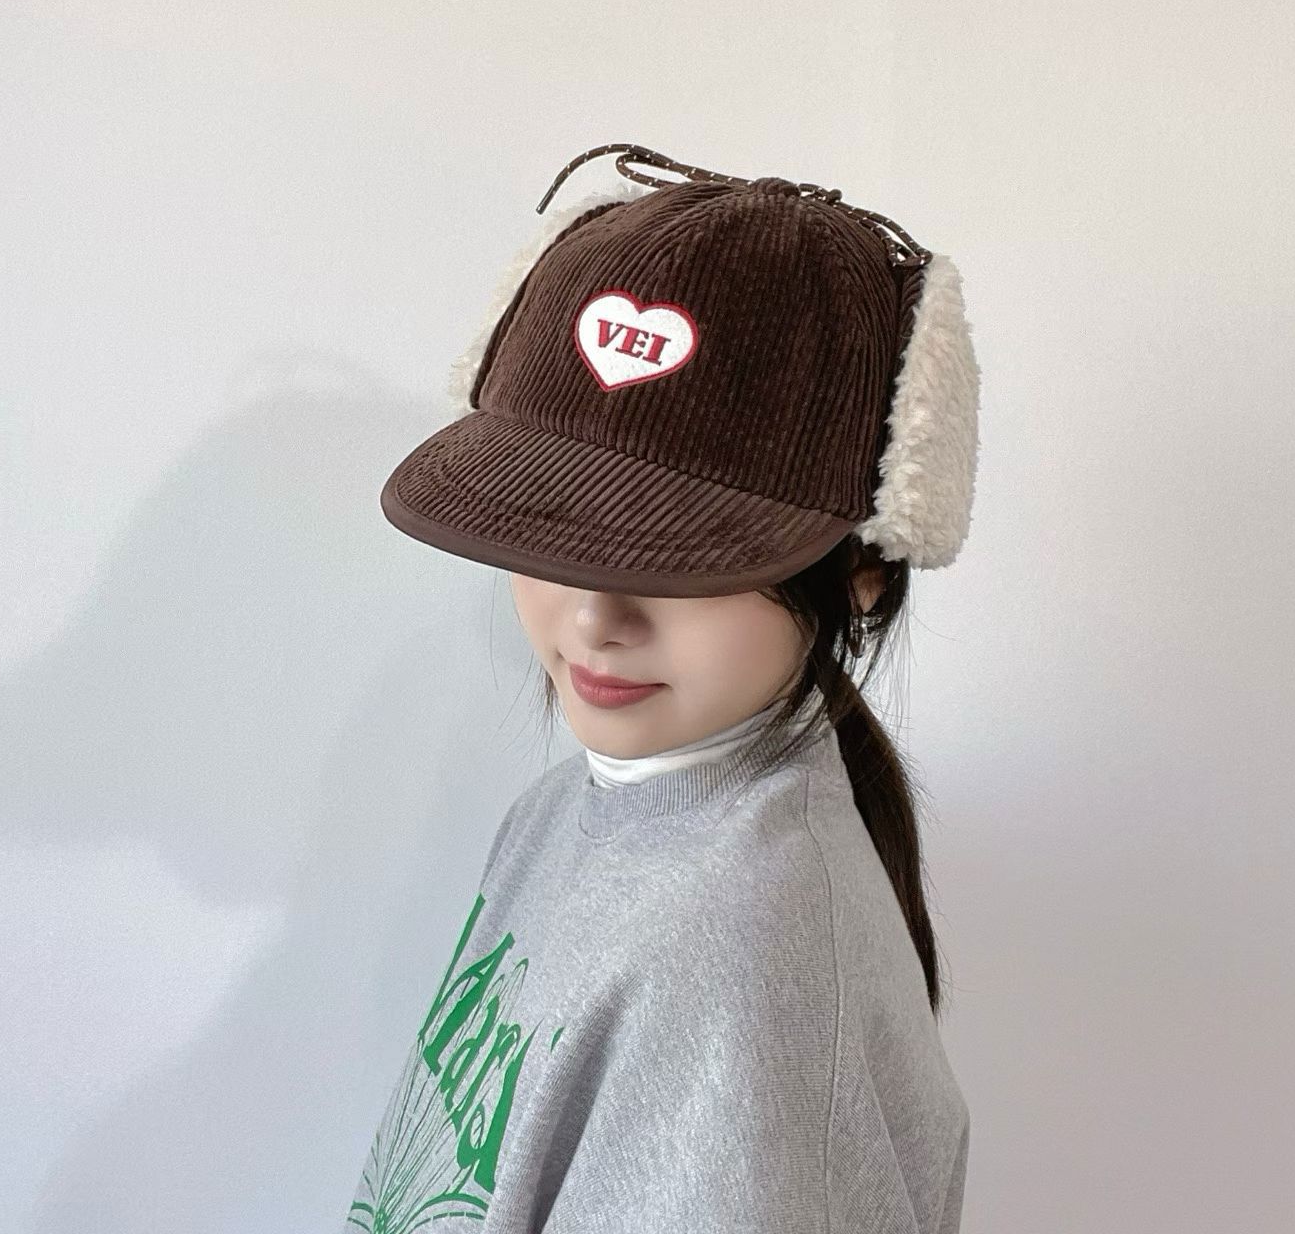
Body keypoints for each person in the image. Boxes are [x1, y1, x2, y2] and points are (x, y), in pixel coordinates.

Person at [340, 142, 982, 1234]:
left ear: (864, 569)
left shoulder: (745, 952)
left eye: (680, 558)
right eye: (550, 532)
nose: (596, 617)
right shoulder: (567, 809)